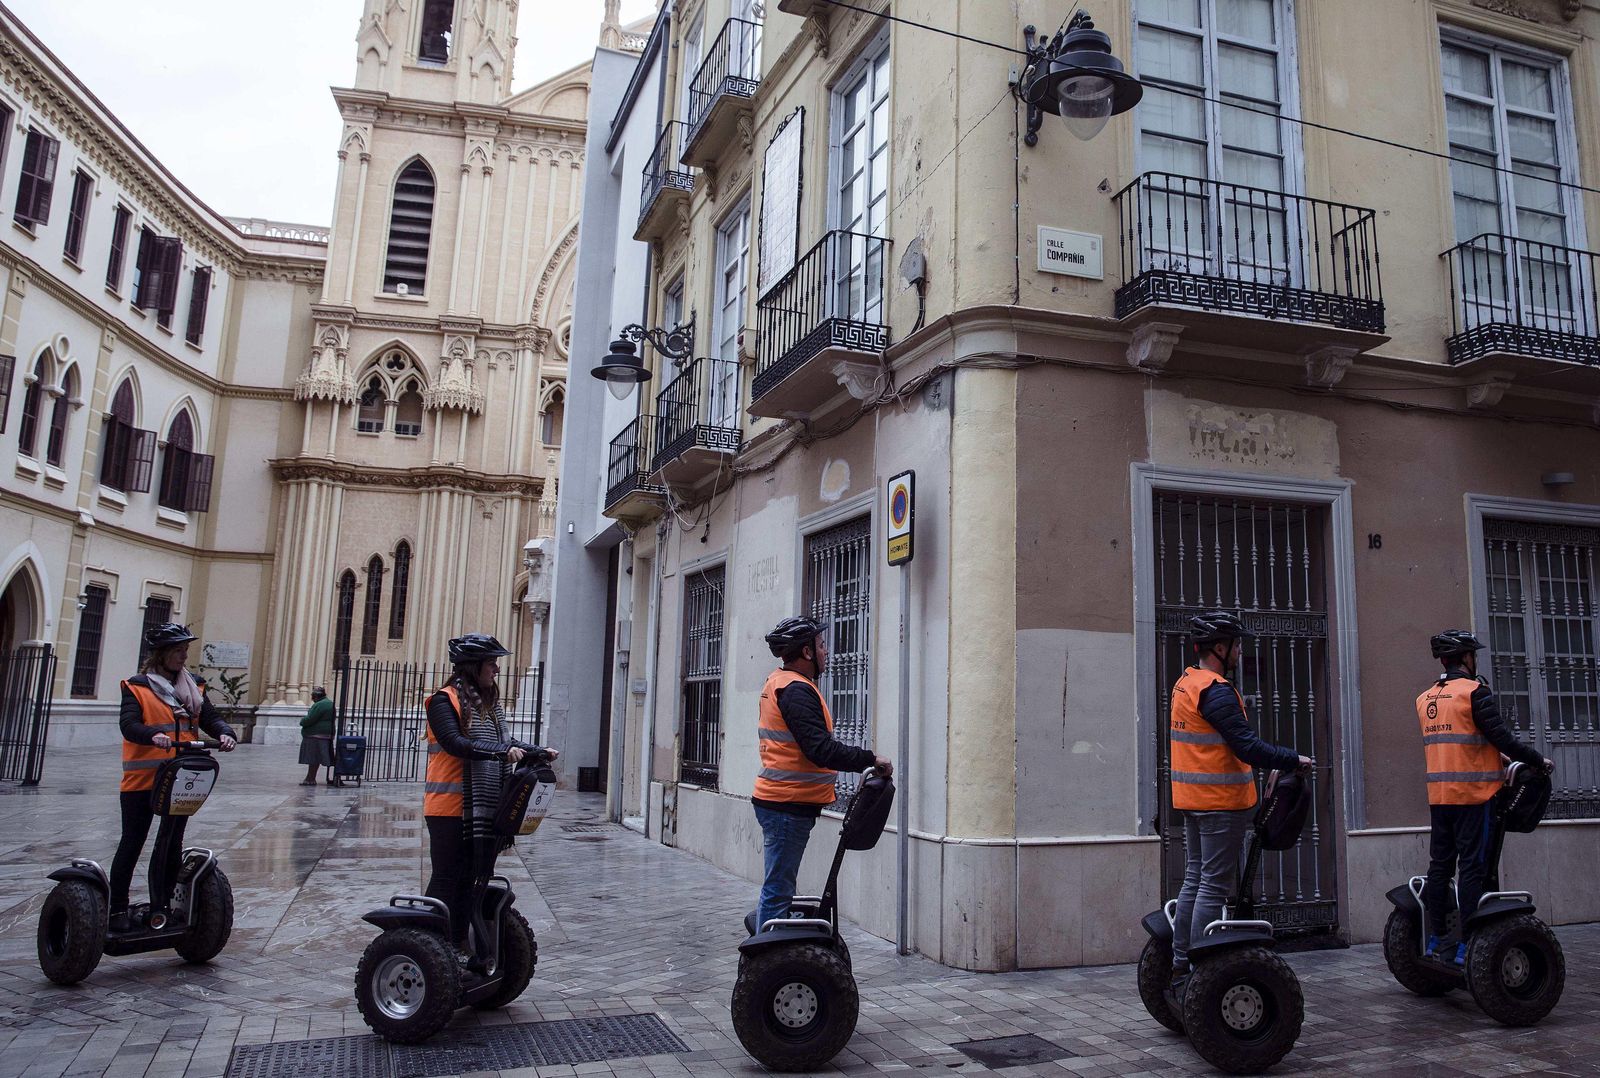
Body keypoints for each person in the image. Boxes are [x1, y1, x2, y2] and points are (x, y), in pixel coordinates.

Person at [1167, 611, 1310, 999]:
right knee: (1212, 887)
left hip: (1193, 801)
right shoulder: (1215, 691)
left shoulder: (1186, 683)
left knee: (1195, 879)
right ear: (1219, 647)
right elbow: (1247, 746)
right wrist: (1292, 759)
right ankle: (1200, 971)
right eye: (1236, 644)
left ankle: (1180, 966)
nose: (1240, 651)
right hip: (1219, 804)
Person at [1416, 629, 1552, 965]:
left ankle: (1437, 940)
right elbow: (1502, 737)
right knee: (1472, 868)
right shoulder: (1474, 692)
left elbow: (1459, 742)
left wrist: (1496, 758)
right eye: (1473, 654)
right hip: (1474, 797)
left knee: (1439, 868)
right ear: (1466, 658)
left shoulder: (1426, 698)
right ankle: (1468, 943)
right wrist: (1538, 761)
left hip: (1440, 797)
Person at [752, 616, 892, 931]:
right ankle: (765, 956)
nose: (826, 651)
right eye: (821, 645)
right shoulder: (796, 691)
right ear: (807, 652)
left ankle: (772, 948)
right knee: (778, 891)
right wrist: (870, 759)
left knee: (780, 887)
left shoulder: (783, 682)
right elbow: (820, 750)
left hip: (784, 803)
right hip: (785, 805)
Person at [424, 633, 557, 952]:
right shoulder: (443, 701)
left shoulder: (489, 706)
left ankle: (457, 944)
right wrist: (500, 752)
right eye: (491, 663)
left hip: (482, 809)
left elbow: (505, 743)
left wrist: (537, 751)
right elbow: (456, 743)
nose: (497, 669)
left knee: (471, 880)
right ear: (473, 666)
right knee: (448, 879)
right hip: (449, 810)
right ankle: (428, 943)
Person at [113, 623, 237, 932]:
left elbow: (209, 717)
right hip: (142, 782)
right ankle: (117, 909)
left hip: (180, 780)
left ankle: (162, 907)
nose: (183, 656)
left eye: (185, 650)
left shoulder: (193, 687)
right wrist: (151, 735)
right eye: (178, 651)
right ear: (161, 654)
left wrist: (225, 732)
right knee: (132, 842)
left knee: (170, 842)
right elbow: (128, 724)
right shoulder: (137, 687)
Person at [299, 686, 335, 785]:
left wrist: (302, 721)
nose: (312, 699)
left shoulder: (320, 705)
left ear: (315, 696)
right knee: (316, 758)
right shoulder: (329, 703)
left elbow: (310, 719)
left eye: (312, 696)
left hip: (316, 735)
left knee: (313, 758)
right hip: (325, 735)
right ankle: (310, 778)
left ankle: (310, 779)